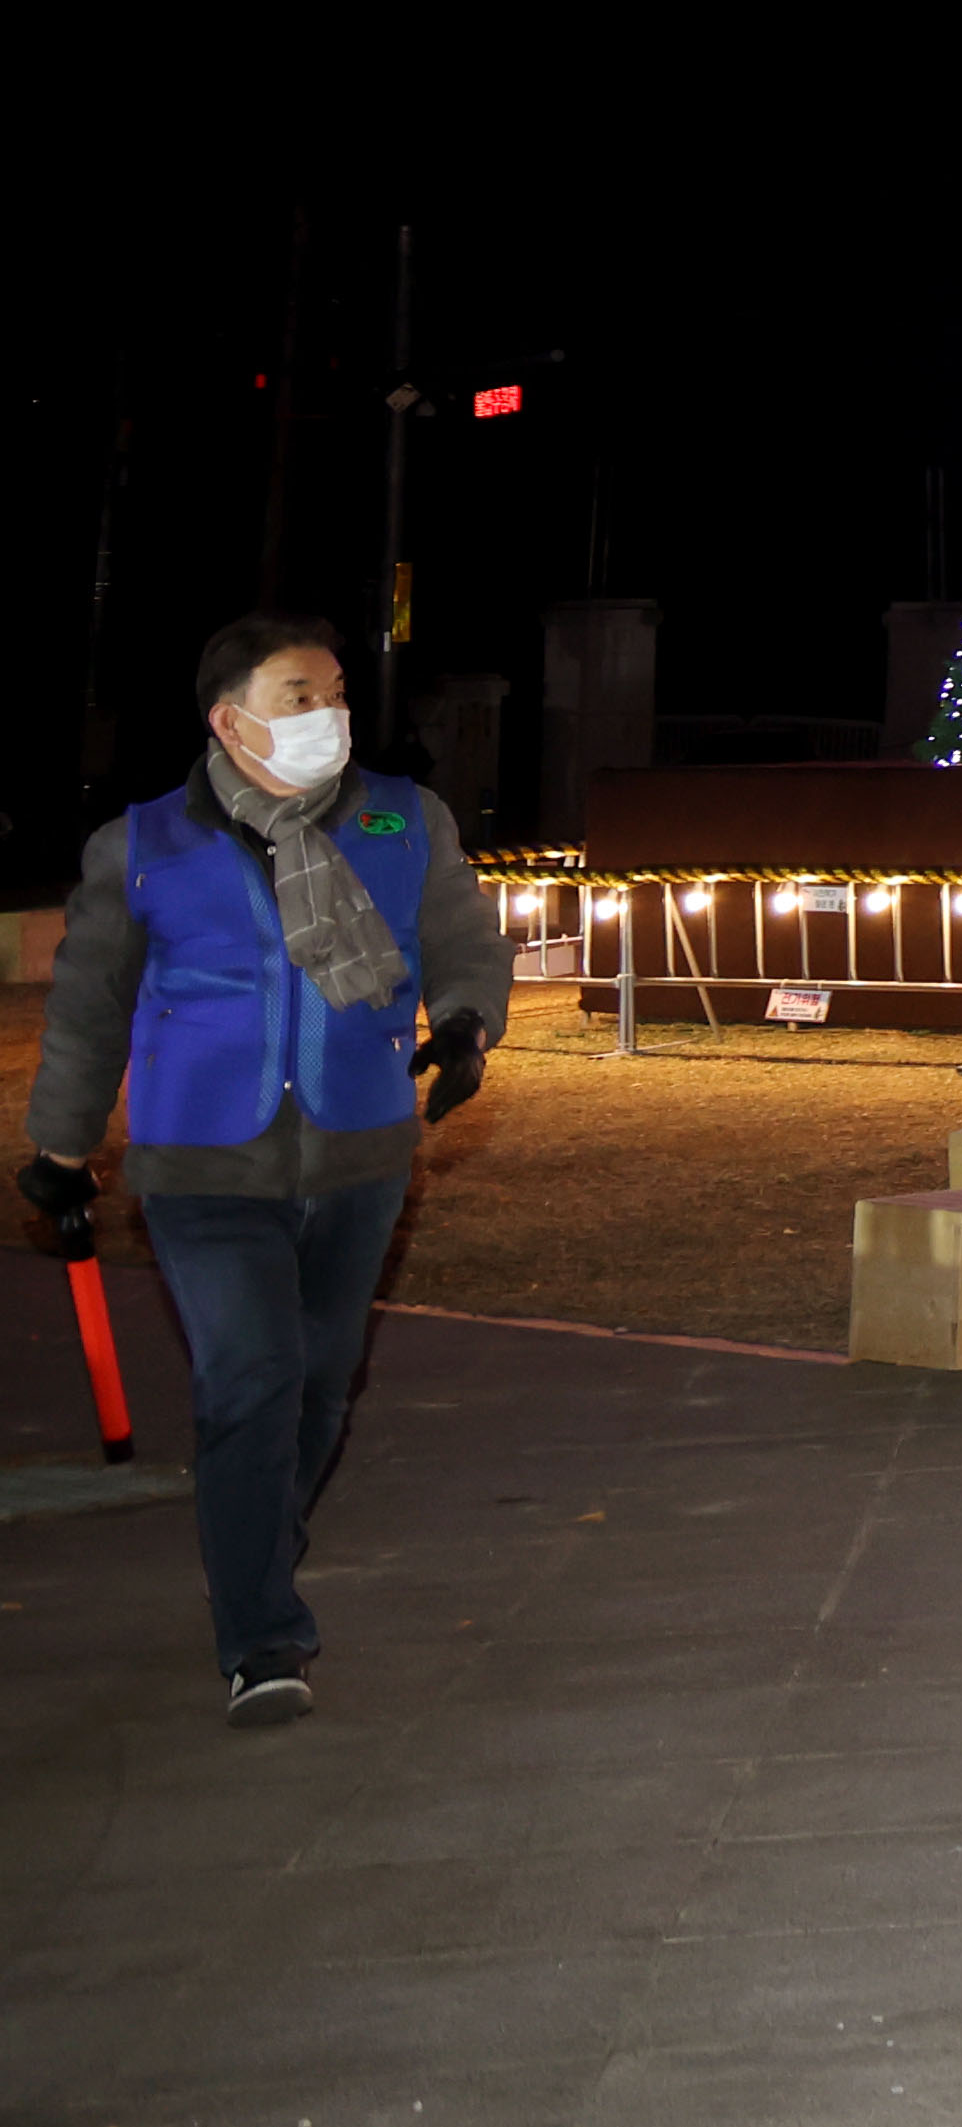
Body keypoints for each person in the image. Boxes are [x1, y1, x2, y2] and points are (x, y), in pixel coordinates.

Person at [22, 614, 505, 1727]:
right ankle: (261, 1636)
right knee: (252, 1378)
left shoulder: (401, 818)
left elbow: (463, 938)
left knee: (322, 1383)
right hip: (202, 1161)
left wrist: (467, 1021)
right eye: (299, 695)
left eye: (335, 693)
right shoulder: (144, 843)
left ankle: (252, 1545)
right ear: (230, 720)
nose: (329, 713)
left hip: (360, 1150)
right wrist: (59, 1149)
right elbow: (90, 1008)